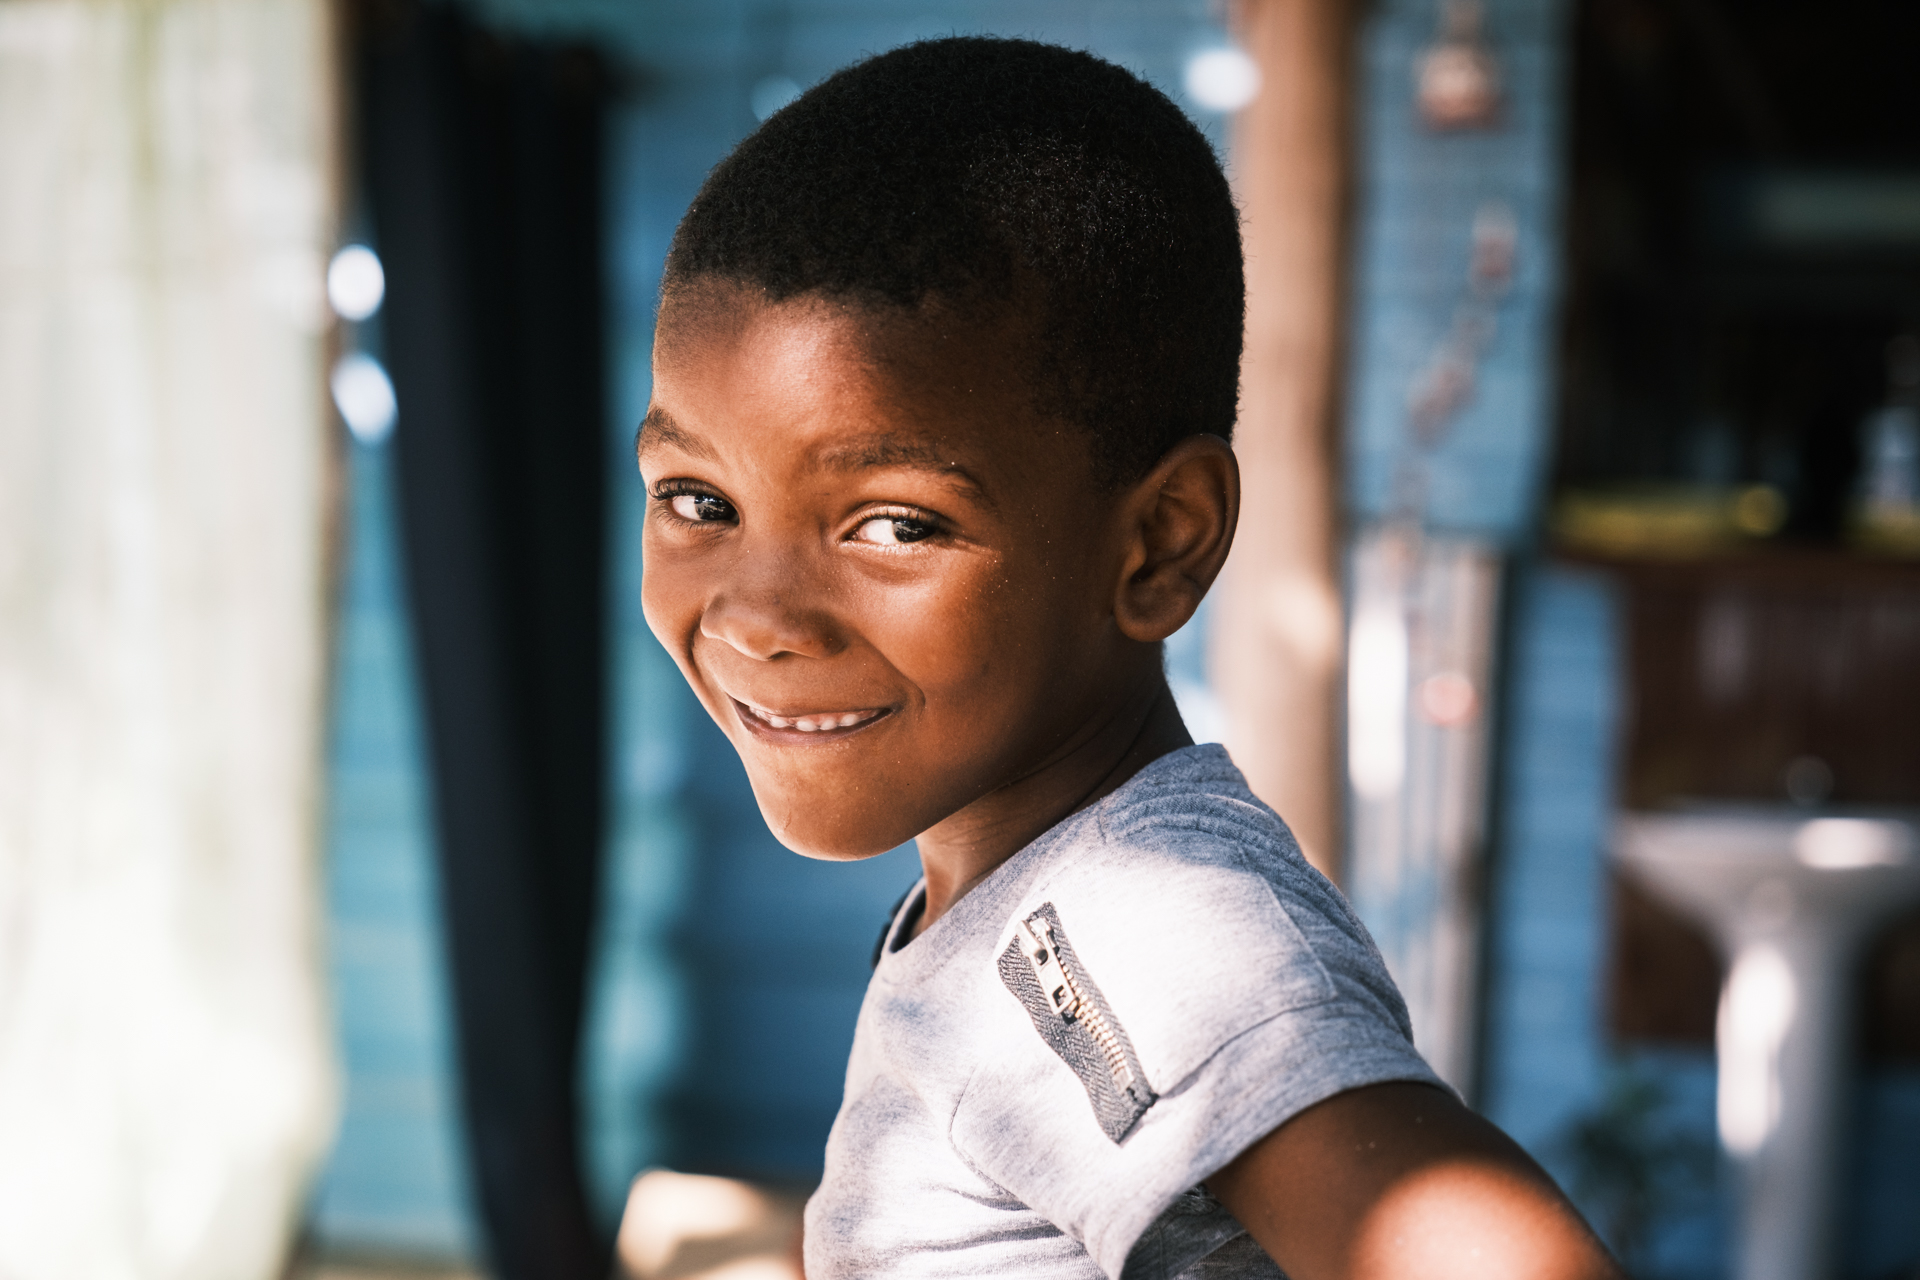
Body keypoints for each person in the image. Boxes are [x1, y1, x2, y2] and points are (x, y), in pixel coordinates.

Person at [635, 36, 1622, 1280]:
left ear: (1160, 544)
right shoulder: (1024, 893)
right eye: (696, 498)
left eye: (894, 522)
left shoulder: (1140, 925)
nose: (760, 616)